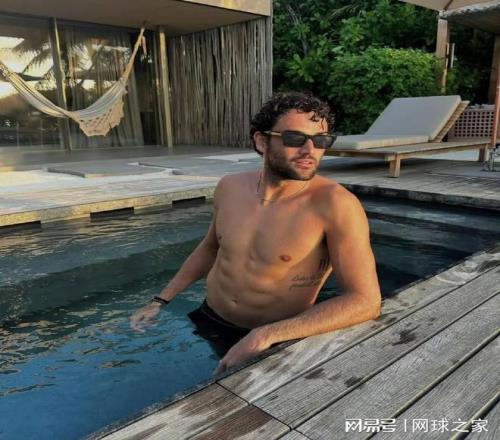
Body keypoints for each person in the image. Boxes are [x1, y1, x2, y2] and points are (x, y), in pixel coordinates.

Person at [131, 92, 381, 374]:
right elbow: (210, 248)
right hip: (211, 315)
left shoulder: (336, 205)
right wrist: (160, 301)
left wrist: (265, 335)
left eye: (321, 141)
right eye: (295, 138)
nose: (310, 150)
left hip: (274, 338)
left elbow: (366, 301)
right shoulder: (230, 187)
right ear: (262, 141)